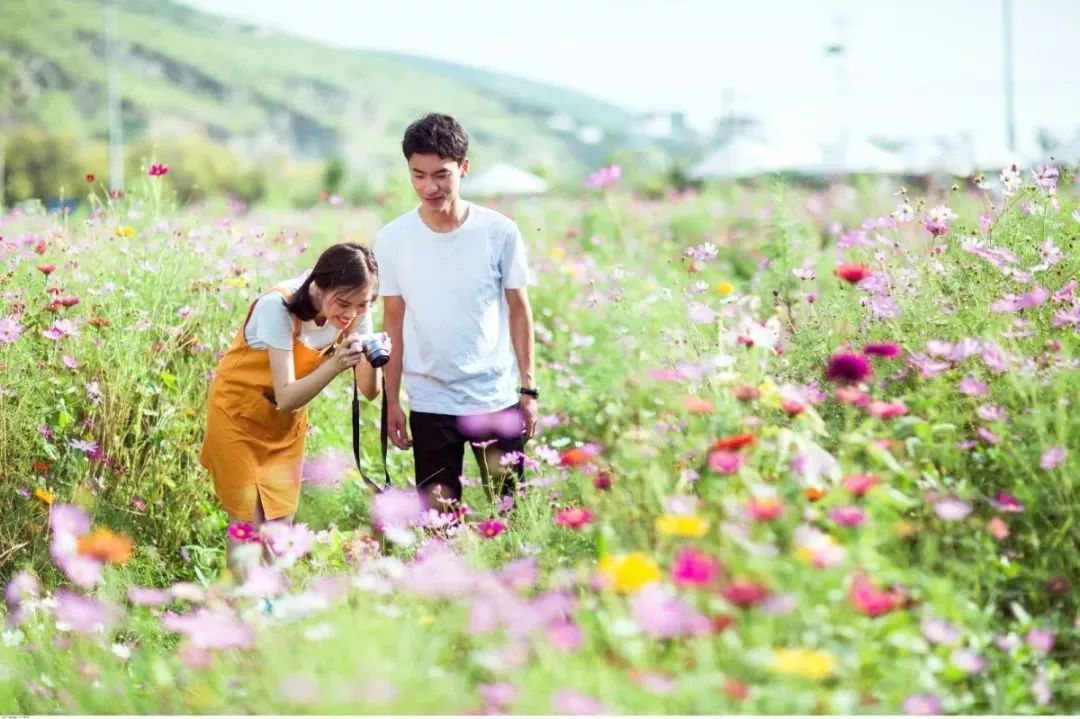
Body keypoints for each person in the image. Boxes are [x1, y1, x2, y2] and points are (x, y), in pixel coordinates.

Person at [374, 113, 538, 517]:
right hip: (430, 400)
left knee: (512, 513)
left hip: (494, 398)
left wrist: (529, 391)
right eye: (418, 175)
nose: (429, 187)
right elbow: (392, 320)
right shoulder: (393, 238)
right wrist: (391, 400)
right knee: (438, 523)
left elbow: (519, 311)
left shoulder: (499, 231)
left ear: (464, 167)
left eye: (441, 175)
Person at [199, 242, 389, 571]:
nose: (351, 314)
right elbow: (286, 396)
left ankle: (270, 610)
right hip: (237, 416)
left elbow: (369, 391)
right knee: (249, 524)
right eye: (343, 303)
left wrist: (375, 355)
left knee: (277, 526)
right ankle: (242, 610)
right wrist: (334, 365)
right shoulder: (278, 306)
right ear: (318, 282)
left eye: (362, 305)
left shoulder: (356, 307)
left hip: (283, 428)